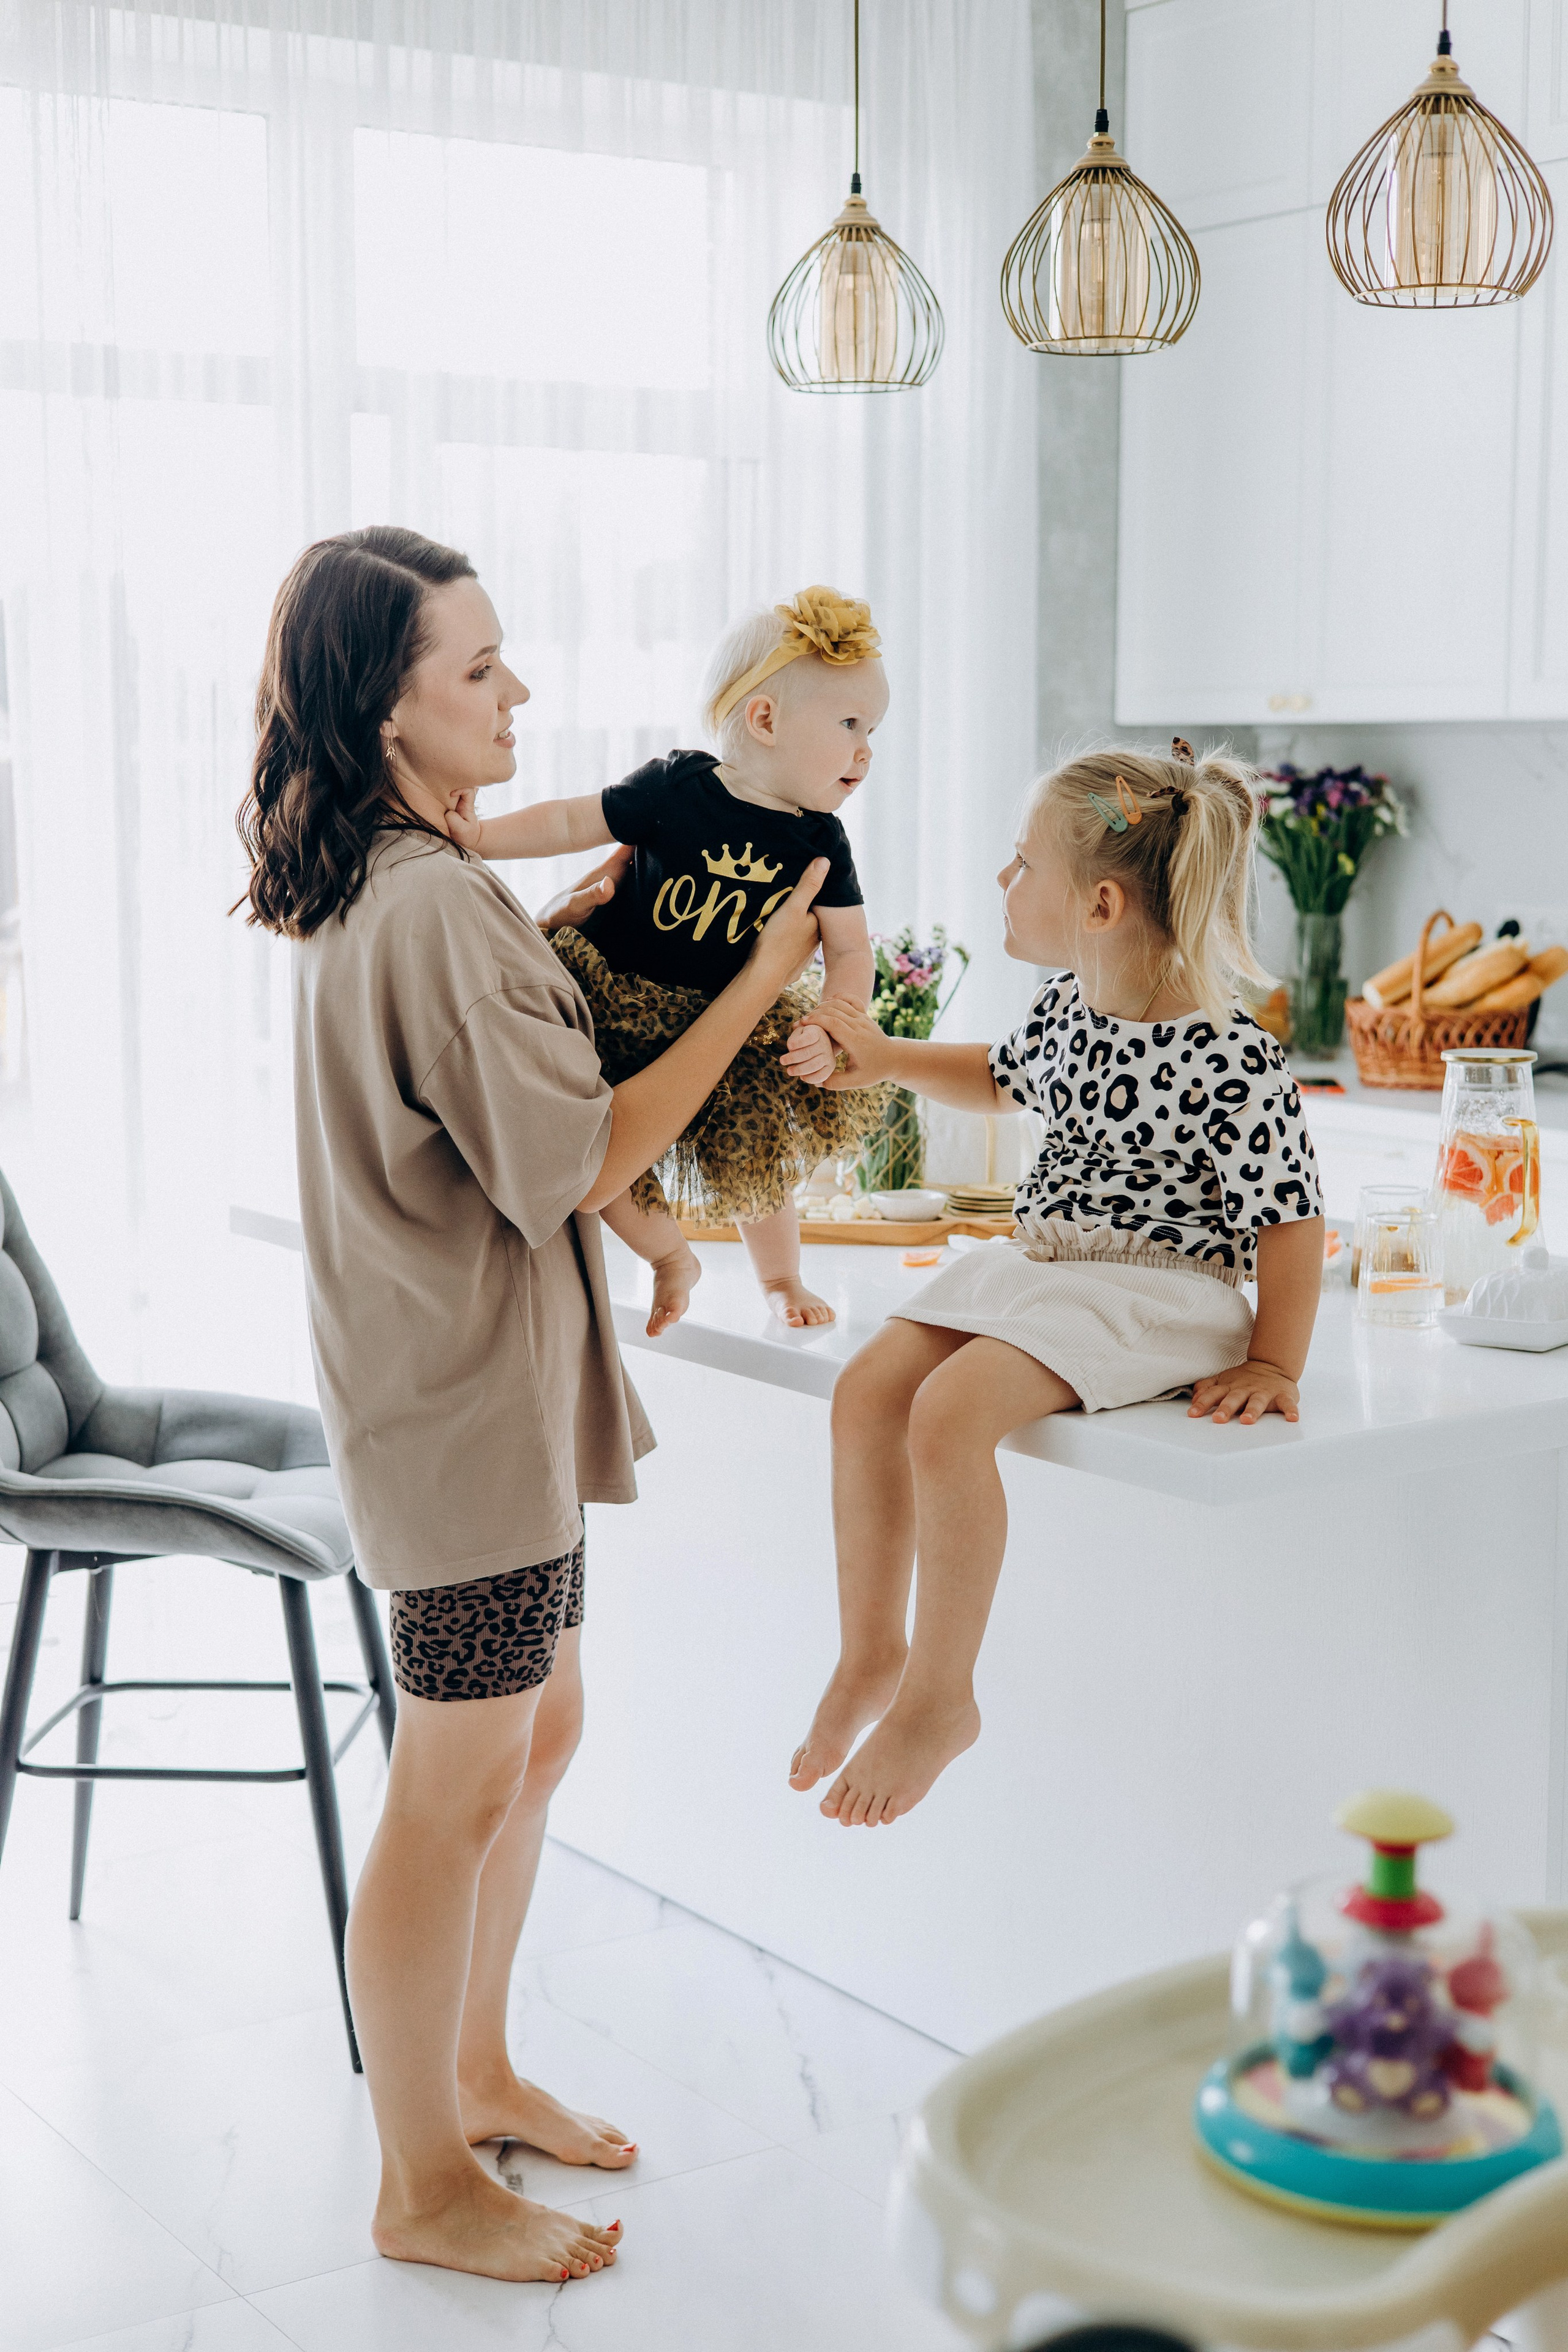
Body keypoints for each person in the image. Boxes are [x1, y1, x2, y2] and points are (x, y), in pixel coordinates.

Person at [236, 525, 827, 2283]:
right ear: (387, 705)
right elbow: (586, 1157)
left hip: (474, 1397)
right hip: (464, 1418)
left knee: (534, 1739)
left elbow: (504, 1102)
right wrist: (753, 982)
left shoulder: (408, 882)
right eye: (479, 669)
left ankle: (476, 2072)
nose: (521, 693)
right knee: (451, 1789)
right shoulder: (427, 903)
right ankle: (423, 2181)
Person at [783, 741, 1325, 1828]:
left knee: (949, 1417)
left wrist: (1273, 1357)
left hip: (1161, 1290)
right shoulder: (1069, 1008)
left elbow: (1292, 1220)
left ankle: (941, 1698)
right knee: (867, 1391)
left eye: (1021, 862)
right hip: (1049, 1265)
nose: (1001, 881)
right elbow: (997, 1078)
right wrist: (884, 1056)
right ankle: (871, 1652)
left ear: (1103, 903)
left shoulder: (1234, 1055)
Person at [444, 586, 890, 1331]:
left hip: (722, 1020)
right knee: (595, 1154)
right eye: (849, 724)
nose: (865, 748)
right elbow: (571, 819)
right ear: (765, 718)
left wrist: (835, 1018)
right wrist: (484, 839)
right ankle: (667, 1256)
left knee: (760, 1151)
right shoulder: (678, 786)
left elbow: (849, 946)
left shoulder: (820, 842)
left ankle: (780, 1277)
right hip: (611, 998)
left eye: (872, 729)